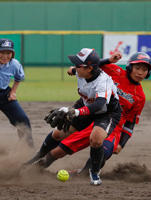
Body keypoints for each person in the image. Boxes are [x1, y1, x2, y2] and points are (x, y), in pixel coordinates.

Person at [33, 51, 151, 178]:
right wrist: (76, 69)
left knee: (103, 150)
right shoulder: (115, 71)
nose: (140, 72)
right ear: (129, 67)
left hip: (113, 126)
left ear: (148, 73)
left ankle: (84, 173)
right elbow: (92, 65)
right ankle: (37, 166)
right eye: (137, 68)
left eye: (144, 70)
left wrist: (121, 144)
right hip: (93, 115)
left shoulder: (140, 97)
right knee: (59, 149)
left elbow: (130, 122)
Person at [26, 48, 122, 186]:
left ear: (89, 68)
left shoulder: (103, 82)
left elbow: (99, 105)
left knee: (96, 139)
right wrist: (106, 60)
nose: (75, 67)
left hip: (107, 112)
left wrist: (76, 112)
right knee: (58, 133)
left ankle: (94, 172)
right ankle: (37, 156)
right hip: (85, 104)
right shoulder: (80, 71)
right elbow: (79, 69)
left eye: (78, 65)